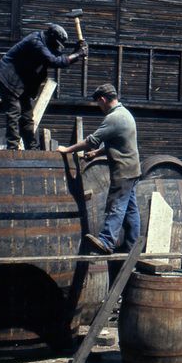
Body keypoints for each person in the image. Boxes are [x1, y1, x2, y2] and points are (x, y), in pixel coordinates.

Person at [58, 84, 141, 254]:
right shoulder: (125, 114)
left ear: (103, 99)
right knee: (131, 210)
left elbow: (91, 140)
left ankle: (107, 241)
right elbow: (117, 142)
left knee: (116, 205)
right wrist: (96, 153)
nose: (99, 108)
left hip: (123, 171)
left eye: (98, 104)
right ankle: (133, 246)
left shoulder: (114, 118)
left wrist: (66, 150)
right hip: (133, 169)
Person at [0, 23, 87, 150]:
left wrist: (76, 51)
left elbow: (57, 56)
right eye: (56, 44)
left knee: (27, 117)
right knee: (14, 112)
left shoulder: (46, 43)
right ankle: (13, 148)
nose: (56, 47)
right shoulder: (35, 41)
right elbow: (53, 61)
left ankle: (32, 148)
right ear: (50, 36)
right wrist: (78, 55)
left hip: (22, 82)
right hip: (8, 77)